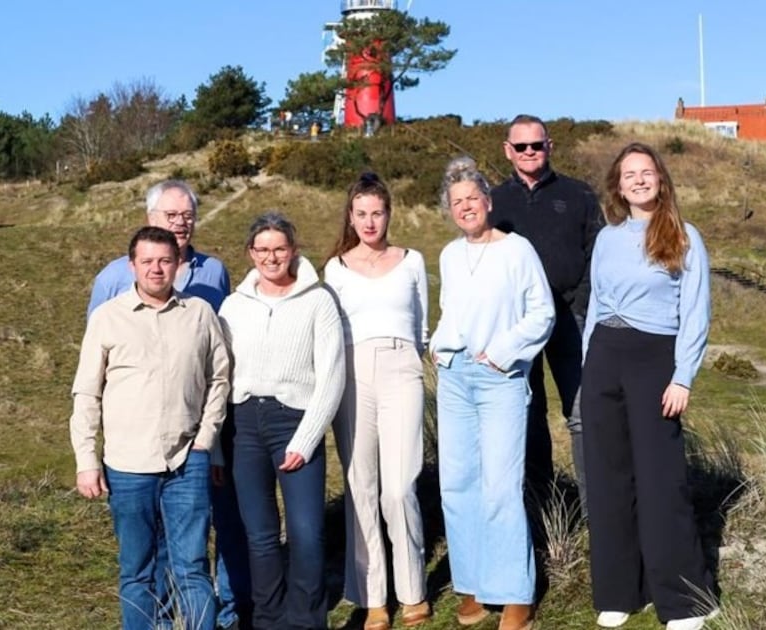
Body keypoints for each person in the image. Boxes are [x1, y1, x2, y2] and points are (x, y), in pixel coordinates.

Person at [86, 179, 250, 630]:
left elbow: (220, 370)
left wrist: (208, 440)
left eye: (186, 216)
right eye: (170, 216)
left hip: (192, 448)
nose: (158, 268)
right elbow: (91, 381)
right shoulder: (110, 297)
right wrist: (88, 457)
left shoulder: (208, 289)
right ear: (134, 262)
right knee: (140, 560)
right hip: (130, 452)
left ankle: (220, 617)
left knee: (195, 555)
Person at [580, 143, 718, 630]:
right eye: (628, 174)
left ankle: (685, 600)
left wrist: (682, 377)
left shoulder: (683, 235)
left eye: (646, 172)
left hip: (654, 360)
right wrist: (586, 368)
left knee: (662, 481)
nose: (638, 180)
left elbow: (695, 312)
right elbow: (596, 305)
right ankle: (620, 590)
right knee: (608, 478)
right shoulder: (608, 238)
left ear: (660, 179)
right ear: (618, 186)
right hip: (603, 359)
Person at [431, 157, 554, 630]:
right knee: (457, 483)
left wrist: (504, 350)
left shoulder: (516, 250)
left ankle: (516, 595)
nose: (465, 207)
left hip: (500, 376)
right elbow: (452, 311)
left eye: (472, 198)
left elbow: (541, 313)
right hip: (456, 377)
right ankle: (472, 586)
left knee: (501, 486)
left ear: (488, 201)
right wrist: (441, 348)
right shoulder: (448, 254)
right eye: (456, 201)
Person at [217, 212, 345, 630]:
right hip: (243, 425)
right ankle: (269, 619)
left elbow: (332, 376)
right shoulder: (233, 306)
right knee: (260, 534)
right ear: (250, 253)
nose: (271, 257)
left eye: (279, 248)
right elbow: (220, 377)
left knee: (307, 532)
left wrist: (306, 440)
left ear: (293, 250)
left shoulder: (318, 300)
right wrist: (218, 446)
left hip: (295, 421)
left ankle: (306, 620)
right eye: (262, 249)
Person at [324, 173, 430, 630]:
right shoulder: (335, 268)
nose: (370, 221)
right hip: (352, 373)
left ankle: (413, 590)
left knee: (400, 486)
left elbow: (421, 326)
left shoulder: (411, 261)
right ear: (351, 215)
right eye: (361, 213)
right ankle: (373, 598)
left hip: (401, 366)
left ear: (389, 214)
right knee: (361, 486)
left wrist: (409, 359)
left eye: (378, 212)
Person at [491, 114, 604, 511]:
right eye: (520, 146)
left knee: (582, 414)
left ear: (550, 146)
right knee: (528, 413)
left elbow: (597, 255)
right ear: (508, 150)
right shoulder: (494, 202)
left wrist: (582, 304)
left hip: (570, 321)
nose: (529, 152)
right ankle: (543, 509)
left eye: (536, 145)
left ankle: (597, 513)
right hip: (518, 327)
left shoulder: (579, 195)